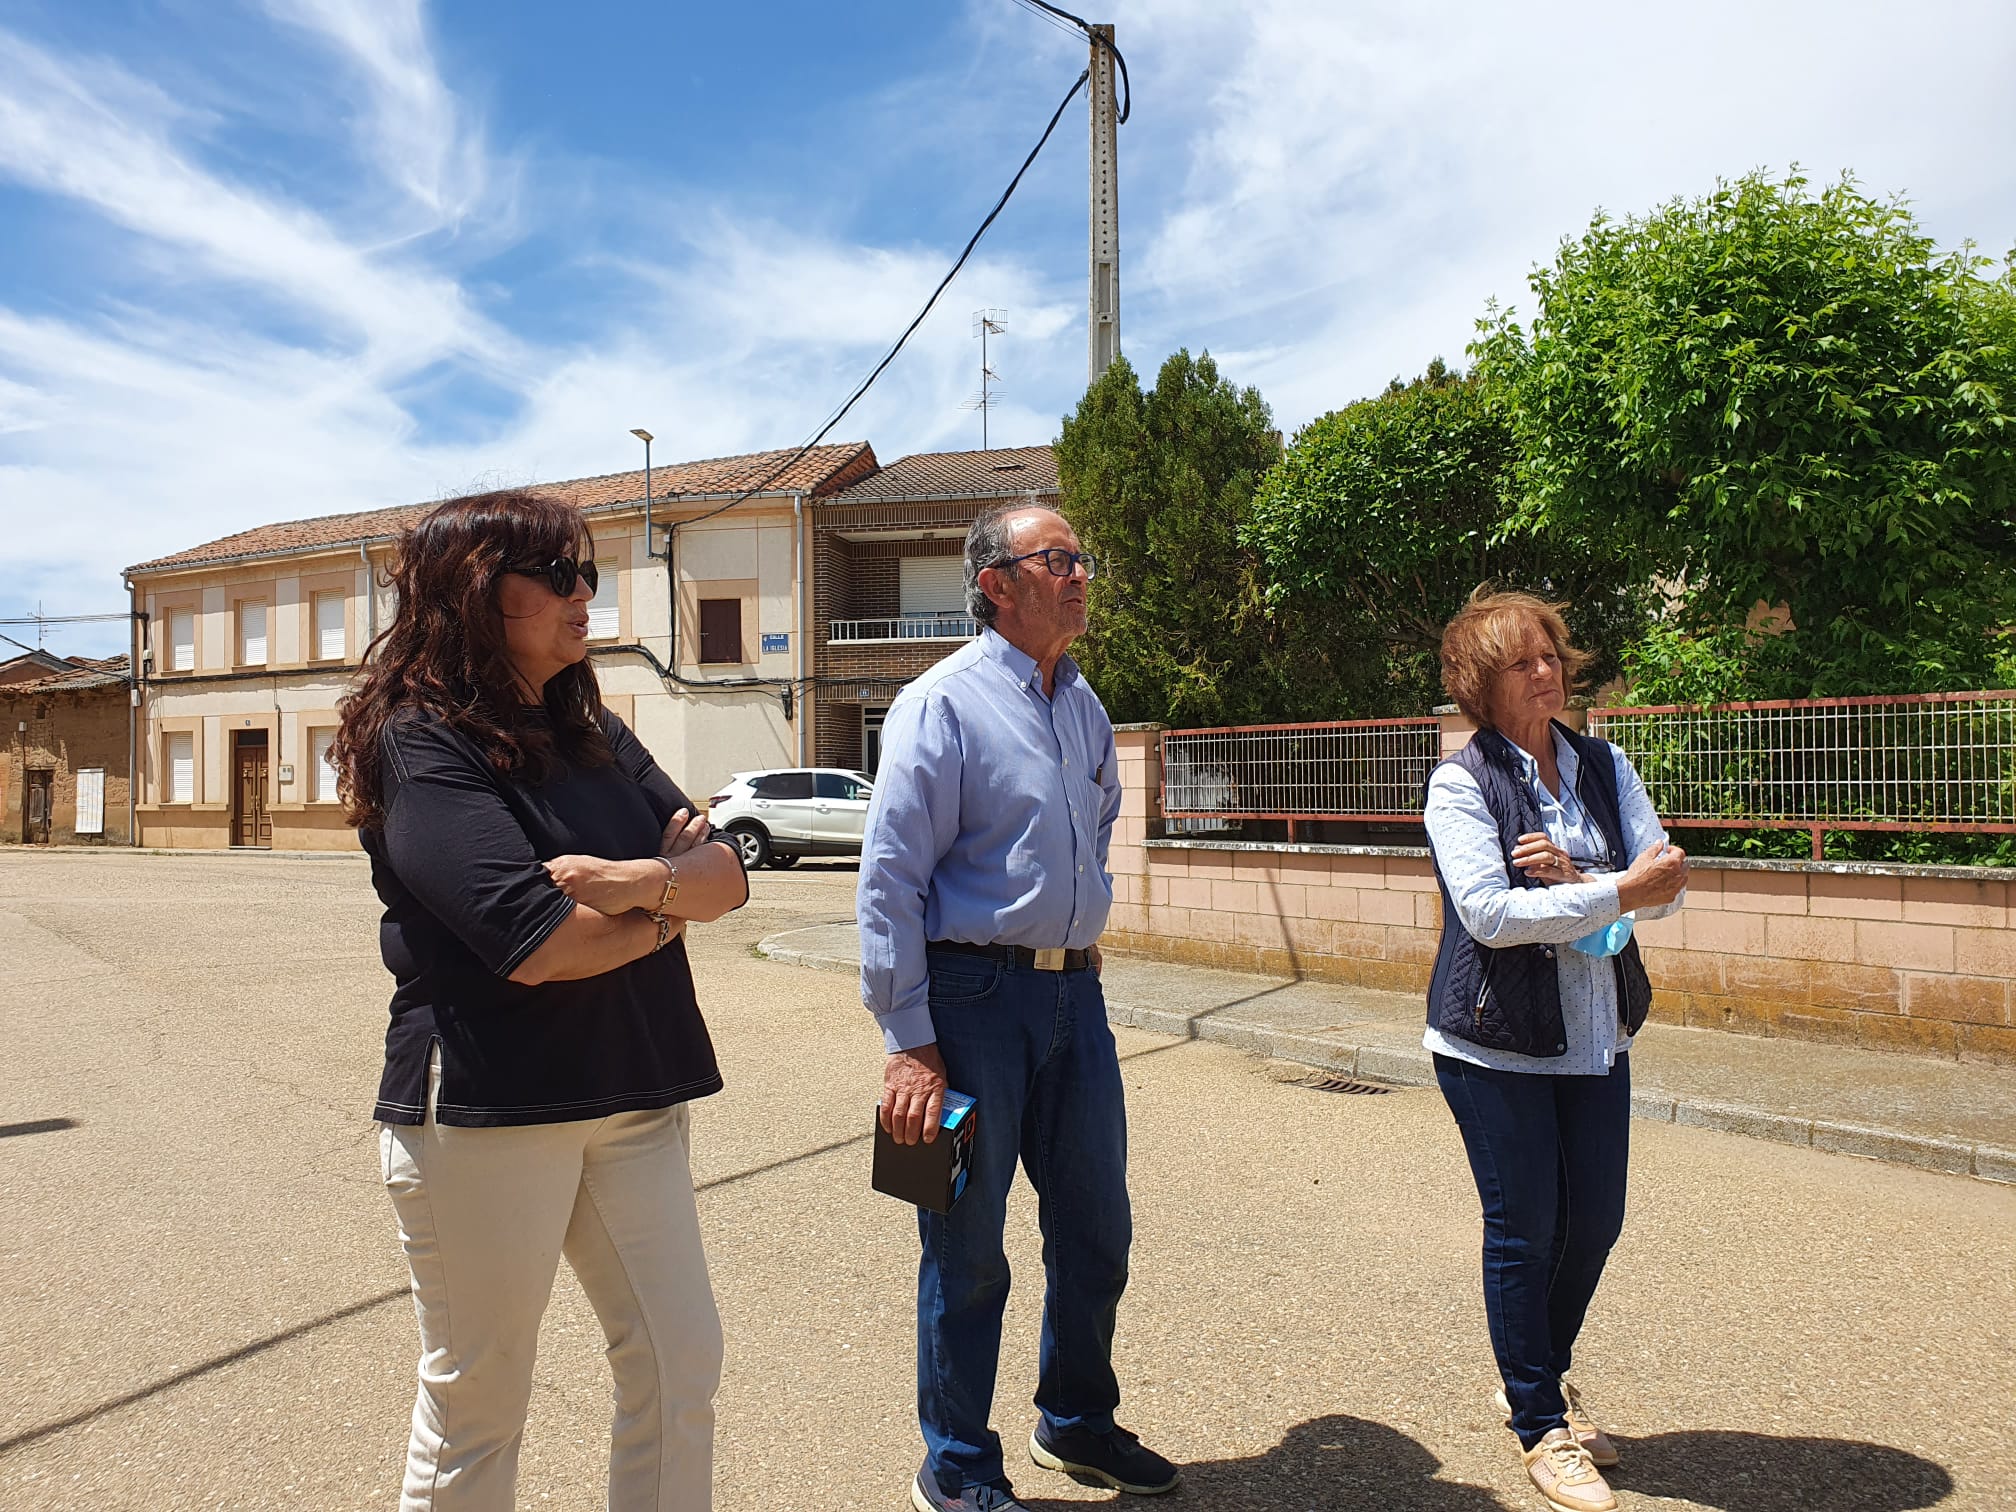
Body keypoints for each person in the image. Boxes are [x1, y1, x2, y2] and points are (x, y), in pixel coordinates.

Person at [332, 489, 749, 1512]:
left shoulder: (593, 726)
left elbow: (729, 873)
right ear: (476, 593)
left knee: (678, 1362)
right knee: (481, 1404)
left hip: (633, 1092)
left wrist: (638, 884)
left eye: (588, 572)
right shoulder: (420, 742)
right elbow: (539, 944)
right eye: (558, 574)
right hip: (488, 1109)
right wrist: (665, 899)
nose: (584, 594)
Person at [858, 503, 1179, 1512]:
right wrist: (908, 1044)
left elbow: (1102, 818)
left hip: (1073, 994)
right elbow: (888, 882)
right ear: (997, 583)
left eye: (1084, 558)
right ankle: (954, 1465)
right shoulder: (939, 704)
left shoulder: (1083, 705)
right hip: (964, 999)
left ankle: (1075, 1422)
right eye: (1059, 559)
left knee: (1098, 1228)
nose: (1082, 573)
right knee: (963, 1243)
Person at [1423, 588, 1689, 1512]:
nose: (1548, 672)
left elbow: (1670, 884)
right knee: (1525, 1229)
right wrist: (1618, 888)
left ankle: (1533, 1374)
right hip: (1494, 1046)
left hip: (1595, 1034)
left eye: (1552, 655)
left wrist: (1586, 881)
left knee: (1595, 1226)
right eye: (1522, 662)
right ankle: (1541, 1425)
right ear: (1480, 685)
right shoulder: (1462, 783)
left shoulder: (1606, 767)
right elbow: (1492, 916)